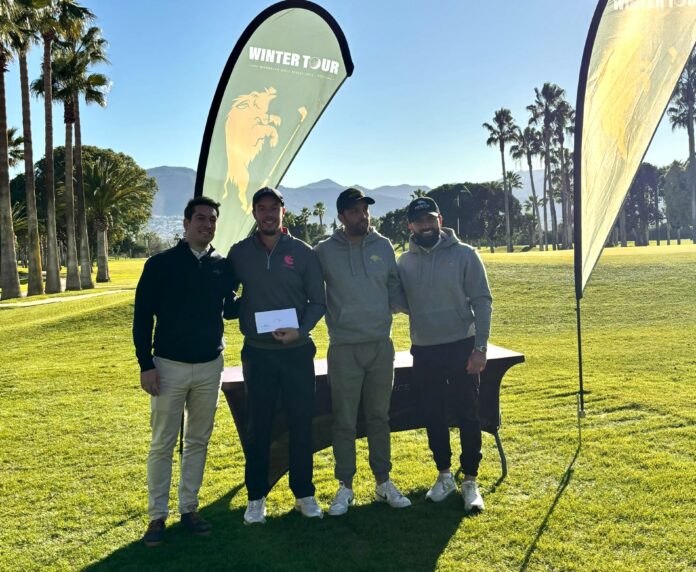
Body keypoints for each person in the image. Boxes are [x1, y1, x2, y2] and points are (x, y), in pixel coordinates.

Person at [133, 196, 235, 546]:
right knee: (162, 443)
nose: (207, 225)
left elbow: (231, 310)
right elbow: (143, 317)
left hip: (210, 366)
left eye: (212, 220)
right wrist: (145, 365)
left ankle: (188, 508)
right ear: (186, 222)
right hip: (169, 366)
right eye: (201, 219)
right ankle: (156, 516)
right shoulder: (160, 264)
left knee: (197, 441)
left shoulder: (222, 265)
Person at [226, 187, 326, 525]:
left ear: (283, 211)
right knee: (260, 426)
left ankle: (304, 494)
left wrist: (302, 328)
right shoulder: (239, 253)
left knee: (301, 423)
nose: (268, 214)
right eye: (262, 208)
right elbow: (227, 296)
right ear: (254, 213)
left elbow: (318, 301)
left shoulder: (302, 252)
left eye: (274, 208)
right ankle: (256, 498)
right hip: (258, 354)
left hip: (297, 352)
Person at [314, 188, 411, 517]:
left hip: (380, 346)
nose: (362, 216)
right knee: (343, 421)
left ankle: (383, 482)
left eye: (364, 210)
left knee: (379, 417)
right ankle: (345, 487)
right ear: (341, 217)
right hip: (343, 348)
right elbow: (310, 292)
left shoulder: (382, 246)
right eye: (354, 211)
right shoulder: (324, 252)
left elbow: (396, 287)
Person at [397, 197, 493, 512]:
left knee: (468, 414)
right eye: (419, 221)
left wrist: (480, 348)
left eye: (430, 219)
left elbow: (482, 301)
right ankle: (444, 475)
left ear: (440, 219)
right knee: (433, 414)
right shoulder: (404, 262)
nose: (425, 225)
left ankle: (470, 481)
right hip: (425, 349)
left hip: (461, 346)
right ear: (410, 226)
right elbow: (396, 301)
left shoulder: (465, 254)